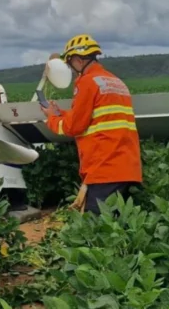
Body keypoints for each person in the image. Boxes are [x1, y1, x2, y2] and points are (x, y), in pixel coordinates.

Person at [39, 34, 142, 215]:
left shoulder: (87, 82)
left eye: (70, 63)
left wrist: (51, 119)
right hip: (126, 167)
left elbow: (74, 127)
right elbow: (95, 117)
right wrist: (61, 113)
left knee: (97, 230)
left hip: (104, 167)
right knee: (116, 227)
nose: (70, 69)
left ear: (78, 60)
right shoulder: (115, 82)